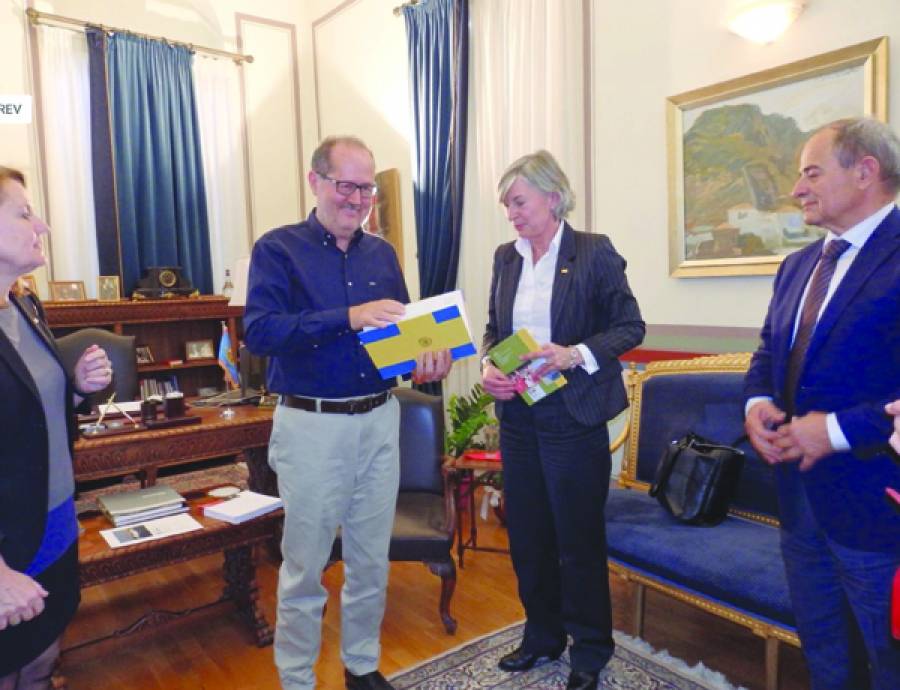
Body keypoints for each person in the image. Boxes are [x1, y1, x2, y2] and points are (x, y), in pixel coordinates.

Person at [244, 136, 452, 690]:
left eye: (367, 188)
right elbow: (261, 333)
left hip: (381, 419)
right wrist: (349, 315)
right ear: (315, 181)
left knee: (370, 559)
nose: (358, 199)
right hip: (312, 426)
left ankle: (361, 666)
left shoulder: (382, 255)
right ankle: (297, 680)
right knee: (305, 566)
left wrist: (425, 360)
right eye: (346, 185)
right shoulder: (278, 249)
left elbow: (402, 339)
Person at [743, 118, 900, 689]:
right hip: (799, 498)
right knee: (825, 650)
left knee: (888, 660)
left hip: (877, 507)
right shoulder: (798, 266)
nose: (796, 189)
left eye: (811, 173)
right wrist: (757, 403)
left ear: (865, 172)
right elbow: (768, 350)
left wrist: (831, 431)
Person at [481, 150, 645, 690]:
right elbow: (494, 329)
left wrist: (573, 354)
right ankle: (542, 637)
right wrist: (489, 368)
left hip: (572, 415)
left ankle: (590, 649)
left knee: (577, 539)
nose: (512, 214)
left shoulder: (593, 252)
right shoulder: (506, 258)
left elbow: (630, 326)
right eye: (507, 205)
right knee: (528, 535)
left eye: (519, 202)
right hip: (519, 416)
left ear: (553, 197)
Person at [0, 166, 112, 688]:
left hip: (55, 519)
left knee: (42, 662)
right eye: (24, 214)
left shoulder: (25, 305)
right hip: (7, 540)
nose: (41, 226)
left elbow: (27, 409)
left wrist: (76, 389)